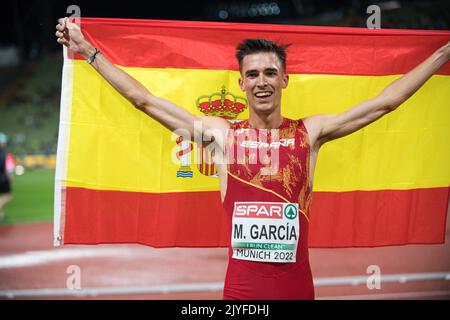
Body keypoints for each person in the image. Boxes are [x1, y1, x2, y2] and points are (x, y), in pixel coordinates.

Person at [55, 17, 450, 299]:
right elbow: (143, 100)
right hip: (242, 291)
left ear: (284, 79)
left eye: (270, 72)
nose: (262, 81)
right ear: (241, 83)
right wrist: (89, 52)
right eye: (254, 74)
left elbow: (386, 102)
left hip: (298, 288)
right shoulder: (222, 137)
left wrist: (444, 52)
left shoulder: (309, 134)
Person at [0, 132, 12, 222]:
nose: (4, 143)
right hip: (2, 178)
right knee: (7, 195)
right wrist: (8, 175)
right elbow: (2, 166)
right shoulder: (1, 153)